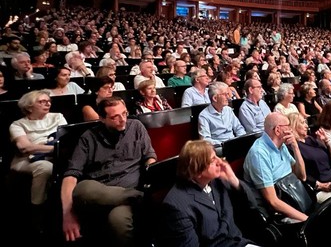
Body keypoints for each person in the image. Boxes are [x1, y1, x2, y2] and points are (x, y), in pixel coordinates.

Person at [61, 96, 156, 247]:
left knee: (118, 220)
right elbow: (71, 175)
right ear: (102, 119)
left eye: (124, 113)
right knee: (83, 188)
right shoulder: (88, 138)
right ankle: (139, 198)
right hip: (100, 192)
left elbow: (150, 157)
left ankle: (134, 197)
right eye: (115, 117)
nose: (123, 119)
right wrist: (67, 214)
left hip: (129, 188)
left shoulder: (136, 126)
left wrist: (153, 174)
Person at [158, 140, 254, 247]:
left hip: (239, 242)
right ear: (197, 170)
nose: (220, 161)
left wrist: (233, 179)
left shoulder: (218, 180)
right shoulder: (176, 205)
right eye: (213, 159)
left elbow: (252, 205)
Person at [9, 90, 67, 234]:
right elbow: (25, 147)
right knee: (45, 167)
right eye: (42, 101)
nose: (48, 103)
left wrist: (49, 149)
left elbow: (67, 140)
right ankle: (37, 211)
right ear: (29, 107)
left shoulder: (58, 117)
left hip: (57, 157)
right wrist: (55, 149)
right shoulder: (17, 125)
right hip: (26, 161)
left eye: (48, 101)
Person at [243, 112, 309, 222]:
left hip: (296, 199)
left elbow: (302, 176)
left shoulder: (282, 146)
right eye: (288, 126)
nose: (291, 130)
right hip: (279, 213)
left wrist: (296, 148)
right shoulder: (259, 153)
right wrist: (307, 219)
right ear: (278, 130)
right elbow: (273, 201)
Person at [288, 112, 331, 203]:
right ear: (293, 126)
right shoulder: (292, 147)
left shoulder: (311, 139)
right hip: (321, 187)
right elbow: (301, 175)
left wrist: (327, 142)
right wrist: (319, 185)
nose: (306, 125)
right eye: (302, 122)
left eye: (305, 122)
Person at [198, 81, 246, 148]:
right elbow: (205, 139)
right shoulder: (204, 115)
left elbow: (239, 128)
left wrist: (241, 140)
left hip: (234, 144)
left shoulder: (228, 110)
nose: (228, 97)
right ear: (215, 98)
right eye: (225, 95)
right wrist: (224, 143)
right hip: (219, 147)